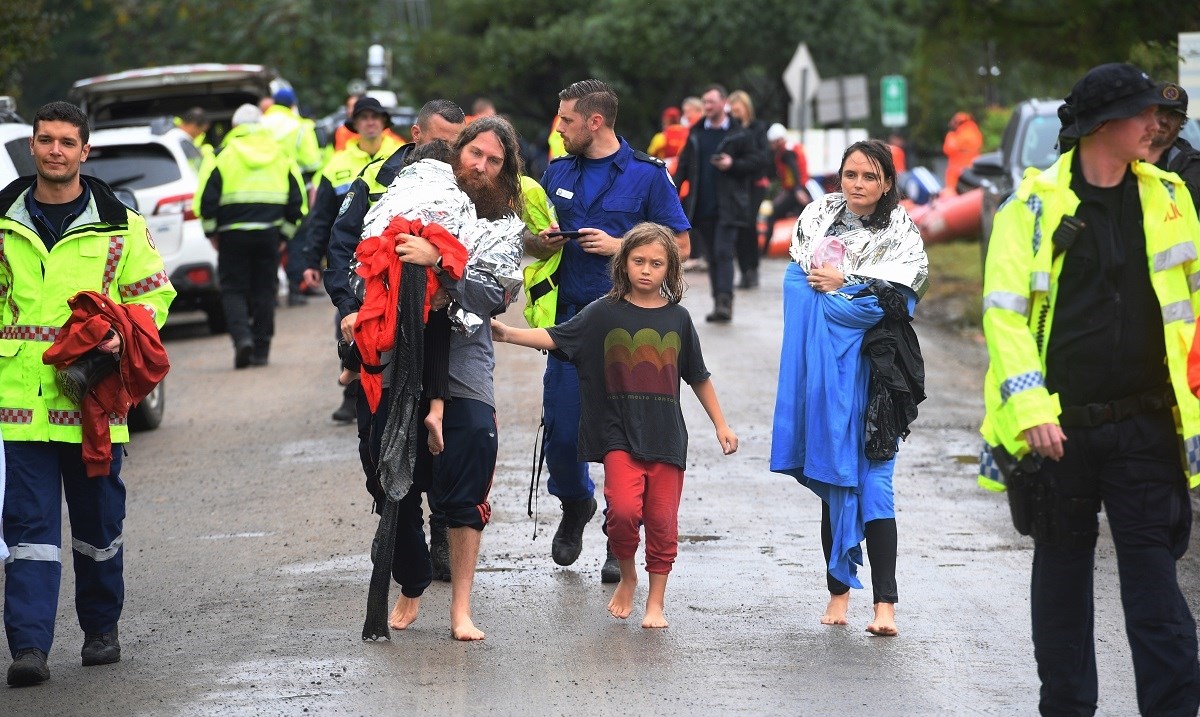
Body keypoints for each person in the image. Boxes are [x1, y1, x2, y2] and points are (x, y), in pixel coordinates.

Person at [977, 63, 1200, 716]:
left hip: (1147, 426)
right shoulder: (1033, 205)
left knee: (1157, 587)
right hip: (1060, 430)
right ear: (1106, 125)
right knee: (1064, 584)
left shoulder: (1170, 197)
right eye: (1141, 114)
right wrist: (1031, 411)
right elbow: (1004, 315)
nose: (1153, 124)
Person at [1, 101, 176, 687]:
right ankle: (29, 649)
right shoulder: (2, 222)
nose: (55, 150)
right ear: (32, 147)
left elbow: (156, 295)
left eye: (66, 142)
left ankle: (101, 630)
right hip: (21, 410)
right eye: (45, 140)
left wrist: (117, 333)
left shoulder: (120, 224)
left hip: (94, 403)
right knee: (28, 534)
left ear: (84, 151)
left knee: (99, 527)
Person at [493, 222, 737, 628]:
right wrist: (508, 333)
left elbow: (698, 375)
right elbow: (557, 337)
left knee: (662, 523)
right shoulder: (602, 312)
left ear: (670, 270)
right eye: (638, 261)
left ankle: (655, 602)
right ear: (622, 264)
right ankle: (627, 576)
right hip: (618, 436)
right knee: (622, 514)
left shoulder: (678, 319)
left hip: (666, 439)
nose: (646, 270)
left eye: (656, 263)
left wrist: (721, 425)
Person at [350, 117, 527, 641]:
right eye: (475, 153)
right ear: (458, 153)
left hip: (465, 369)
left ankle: (461, 609)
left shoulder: (505, 224)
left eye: (494, 161)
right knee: (392, 480)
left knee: (464, 489)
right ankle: (411, 582)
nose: (482, 166)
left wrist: (441, 265)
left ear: (505, 171)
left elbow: (495, 296)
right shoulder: (408, 195)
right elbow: (366, 262)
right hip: (399, 361)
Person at [527, 78, 690, 582]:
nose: (560, 127)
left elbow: (680, 245)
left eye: (567, 120)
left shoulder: (646, 176)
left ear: (595, 121)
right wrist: (543, 242)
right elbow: (528, 242)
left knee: (628, 440)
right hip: (572, 323)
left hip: (631, 329)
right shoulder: (554, 171)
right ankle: (575, 503)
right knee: (561, 430)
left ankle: (619, 540)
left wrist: (622, 245)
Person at [771, 139, 928, 639]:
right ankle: (838, 592)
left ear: (886, 182)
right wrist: (834, 292)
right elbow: (798, 285)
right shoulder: (816, 218)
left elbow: (899, 301)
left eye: (869, 176)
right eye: (850, 174)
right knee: (833, 477)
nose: (857, 184)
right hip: (824, 374)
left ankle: (885, 604)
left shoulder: (902, 232)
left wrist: (843, 287)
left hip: (879, 376)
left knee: (876, 487)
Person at [322, 100, 465, 425]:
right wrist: (348, 308)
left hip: (442, 326)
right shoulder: (375, 177)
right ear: (416, 134)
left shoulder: (464, 179)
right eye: (438, 142)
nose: (446, 152)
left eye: (454, 145)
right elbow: (341, 244)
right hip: (379, 315)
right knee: (375, 439)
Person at [292, 96, 403, 418]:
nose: (369, 122)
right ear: (354, 125)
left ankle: (389, 389)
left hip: (390, 261)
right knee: (348, 324)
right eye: (363, 117)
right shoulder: (336, 165)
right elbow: (323, 218)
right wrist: (312, 261)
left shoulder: (401, 157)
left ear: (384, 122)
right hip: (350, 263)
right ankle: (352, 392)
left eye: (375, 117)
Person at [195, 103, 307, 368]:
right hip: (269, 234)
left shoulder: (221, 154)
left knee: (233, 289)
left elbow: (205, 201)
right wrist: (284, 236)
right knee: (264, 290)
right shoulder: (281, 154)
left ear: (235, 127)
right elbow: (297, 203)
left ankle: (242, 339)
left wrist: (212, 232)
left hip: (231, 235)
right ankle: (261, 349)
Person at [673, 84, 767, 322]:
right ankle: (719, 303)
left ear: (723, 103)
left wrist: (732, 164)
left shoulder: (738, 133)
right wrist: (671, 190)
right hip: (702, 205)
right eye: (704, 102)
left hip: (729, 205)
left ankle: (725, 300)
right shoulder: (696, 132)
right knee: (713, 256)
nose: (707, 106)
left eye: (711, 102)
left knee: (723, 251)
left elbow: (757, 161)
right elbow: (684, 165)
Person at [727, 90, 771, 290]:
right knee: (739, 226)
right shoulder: (731, 130)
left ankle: (751, 268)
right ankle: (744, 270)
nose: (735, 113)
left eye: (738, 109)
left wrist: (738, 163)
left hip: (754, 184)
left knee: (749, 225)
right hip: (737, 185)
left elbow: (763, 158)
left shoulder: (758, 128)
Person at [1148, 82, 1200, 209]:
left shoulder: (1191, 161)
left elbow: (1184, 202)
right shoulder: (1126, 152)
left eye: (1173, 115)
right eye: (1159, 111)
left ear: (1182, 121)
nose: (1164, 120)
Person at [764, 122, 811, 251]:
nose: (771, 146)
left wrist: (797, 190)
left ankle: (764, 249)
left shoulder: (786, 152)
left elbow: (794, 169)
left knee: (772, 215)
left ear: (778, 140)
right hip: (802, 188)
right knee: (809, 217)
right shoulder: (792, 146)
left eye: (772, 142)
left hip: (796, 191)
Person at [942, 111, 982, 193]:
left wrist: (950, 136)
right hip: (972, 175)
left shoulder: (954, 136)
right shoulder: (976, 133)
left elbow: (948, 149)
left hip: (956, 176)